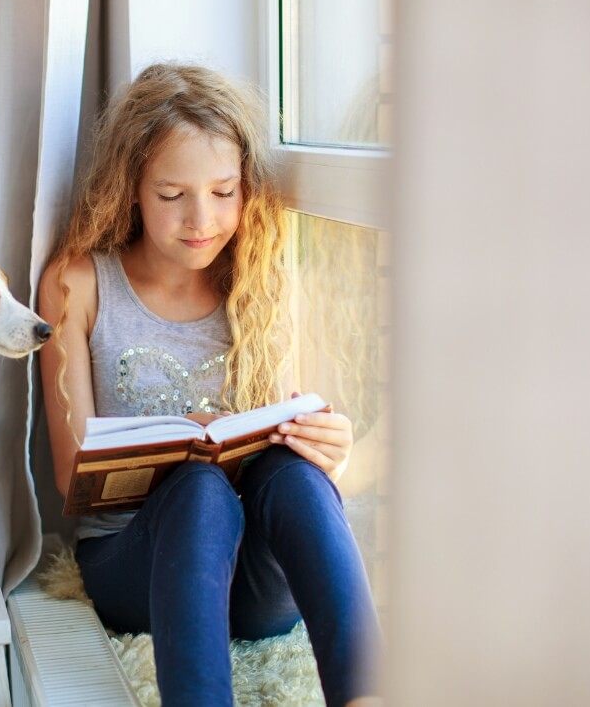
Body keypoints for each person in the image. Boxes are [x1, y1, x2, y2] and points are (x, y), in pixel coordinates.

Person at [37, 62, 382, 707]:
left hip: (248, 586)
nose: (202, 219)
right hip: (133, 566)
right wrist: (187, 461)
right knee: (197, 487)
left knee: (295, 474)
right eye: (173, 196)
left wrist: (329, 447)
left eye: (225, 192)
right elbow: (70, 478)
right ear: (130, 189)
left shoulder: (259, 284)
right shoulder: (79, 283)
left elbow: (291, 454)